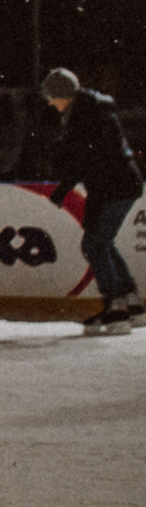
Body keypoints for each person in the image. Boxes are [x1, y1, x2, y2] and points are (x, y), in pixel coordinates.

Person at [42, 67, 143, 334]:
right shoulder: (90, 110)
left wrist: (63, 190)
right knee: (101, 242)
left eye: (53, 96)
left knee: (93, 244)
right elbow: (87, 159)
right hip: (121, 183)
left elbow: (87, 160)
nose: (51, 103)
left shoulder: (85, 116)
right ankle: (132, 303)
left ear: (64, 94)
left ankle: (117, 309)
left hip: (114, 185)